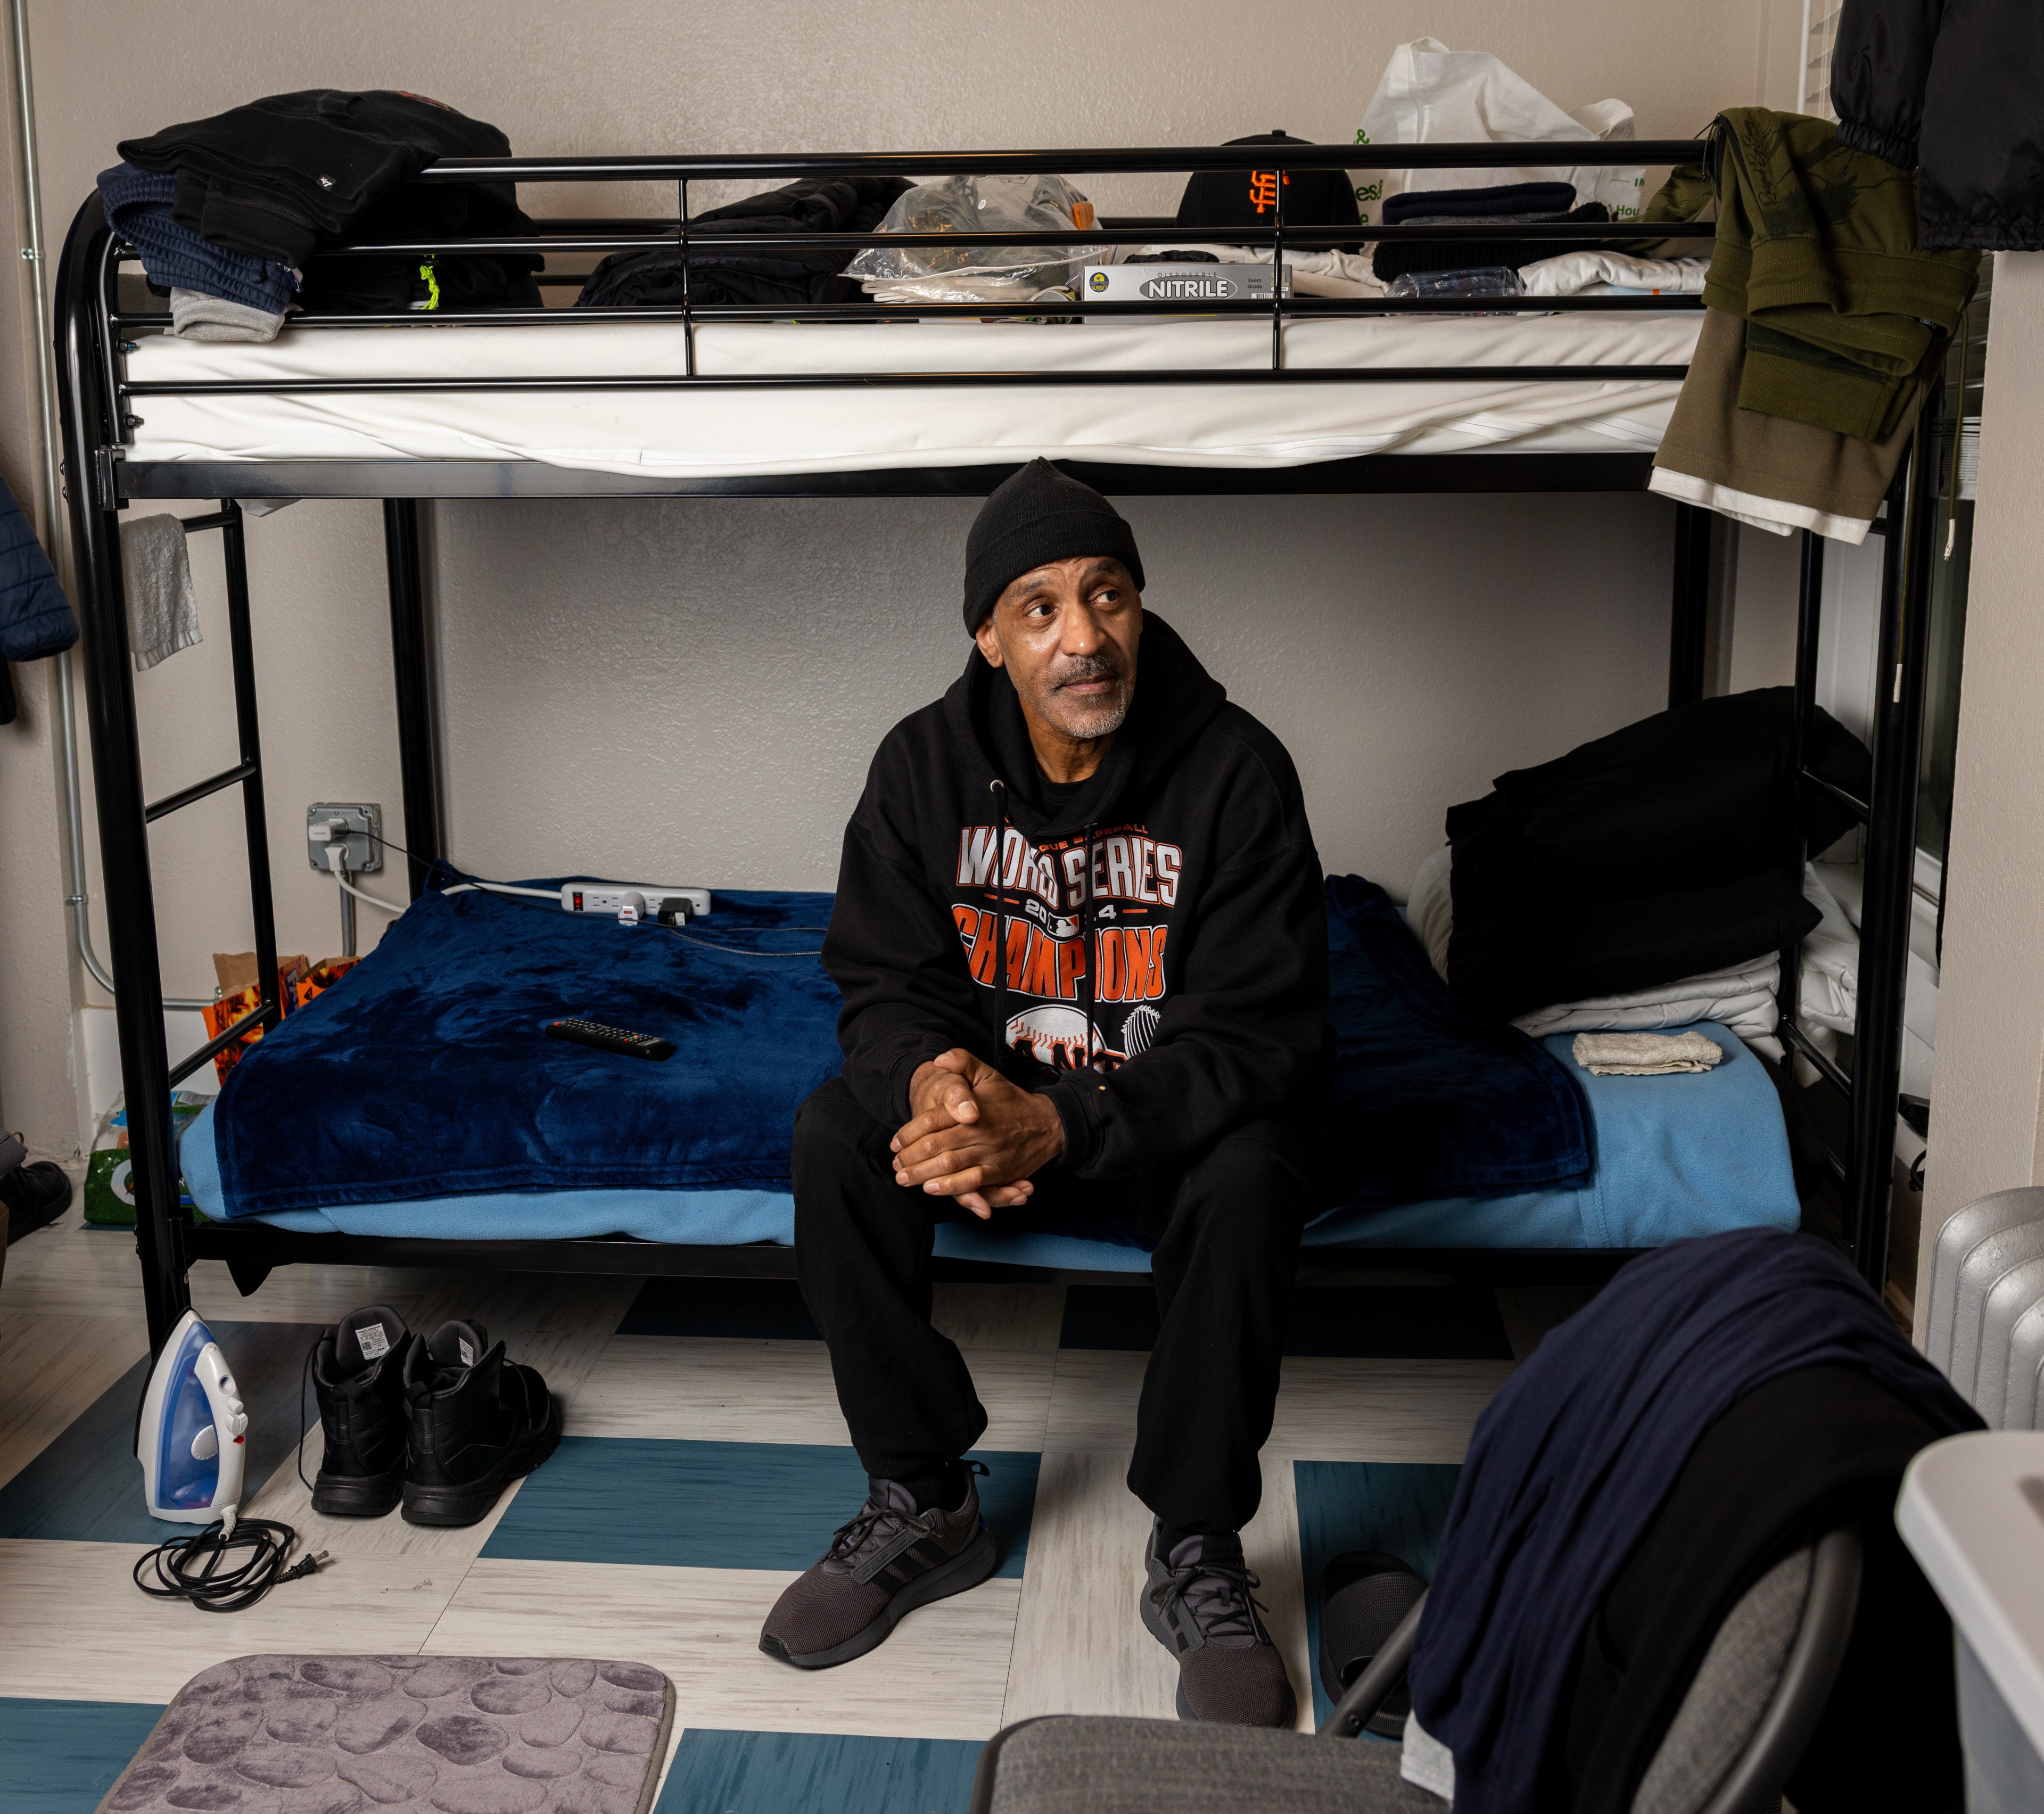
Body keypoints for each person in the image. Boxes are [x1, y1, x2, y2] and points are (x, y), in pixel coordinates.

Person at [759, 460, 1330, 1727]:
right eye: (1040, 609)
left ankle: (1195, 1546)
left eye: (1107, 596)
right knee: (832, 1136)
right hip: (994, 1106)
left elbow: (1258, 1035)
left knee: (1257, 1168)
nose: (1085, 637)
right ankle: (923, 1497)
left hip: (1161, 1111)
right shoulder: (920, 768)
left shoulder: (1237, 772)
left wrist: (1061, 1124)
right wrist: (940, 1089)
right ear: (989, 637)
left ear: (1138, 606)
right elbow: (881, 977)